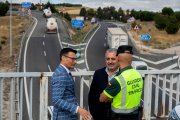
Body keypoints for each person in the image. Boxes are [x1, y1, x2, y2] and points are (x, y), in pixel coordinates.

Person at [99, 45, 143, 120]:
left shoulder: (118, 80)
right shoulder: (138, 74)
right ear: (131, 59)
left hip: (120, 117)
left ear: (118, 58)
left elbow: (102, 99)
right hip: (135, 115)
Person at [51, 48, 92, 120]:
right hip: (63, 117)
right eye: (72, 59)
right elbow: (56, 100)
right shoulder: (61, 74)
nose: (75, 62)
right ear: (63, 58)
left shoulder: (64, 72)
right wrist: (77, 109)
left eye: (75, 59)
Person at [88, 48, 119, 120]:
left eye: (113, 59)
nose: (110, 61)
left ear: (118, 59)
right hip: (100, 116)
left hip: (118, 116)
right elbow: (92, 96)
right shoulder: (98, 73)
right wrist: (94, 114)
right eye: (108, 59)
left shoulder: (123, 74)